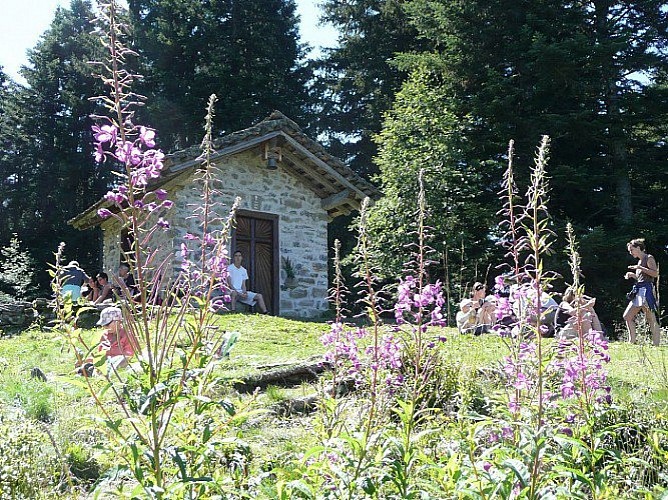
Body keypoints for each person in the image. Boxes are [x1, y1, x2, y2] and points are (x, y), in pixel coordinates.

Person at [623, 238, 661, 346]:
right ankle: (632, 341)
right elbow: (642, 278)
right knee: (627, 316)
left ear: (639, 248)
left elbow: (655, 274)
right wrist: (632, 275)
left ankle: (656, 344)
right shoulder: (639, 262)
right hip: (639, 290)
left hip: (647, 291)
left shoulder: (649, 258)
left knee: (651, 318)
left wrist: (640, 267)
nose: (630, 253)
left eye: (632, 250)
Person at [96, 306, 137, 372]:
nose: (104, 326)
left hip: (120, 365)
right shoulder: (104, 336)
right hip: (105, 365)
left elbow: (129, 356)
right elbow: (99, 355)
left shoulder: (128, 336)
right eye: (103, 324)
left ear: (118, 321)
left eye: (107, 324)